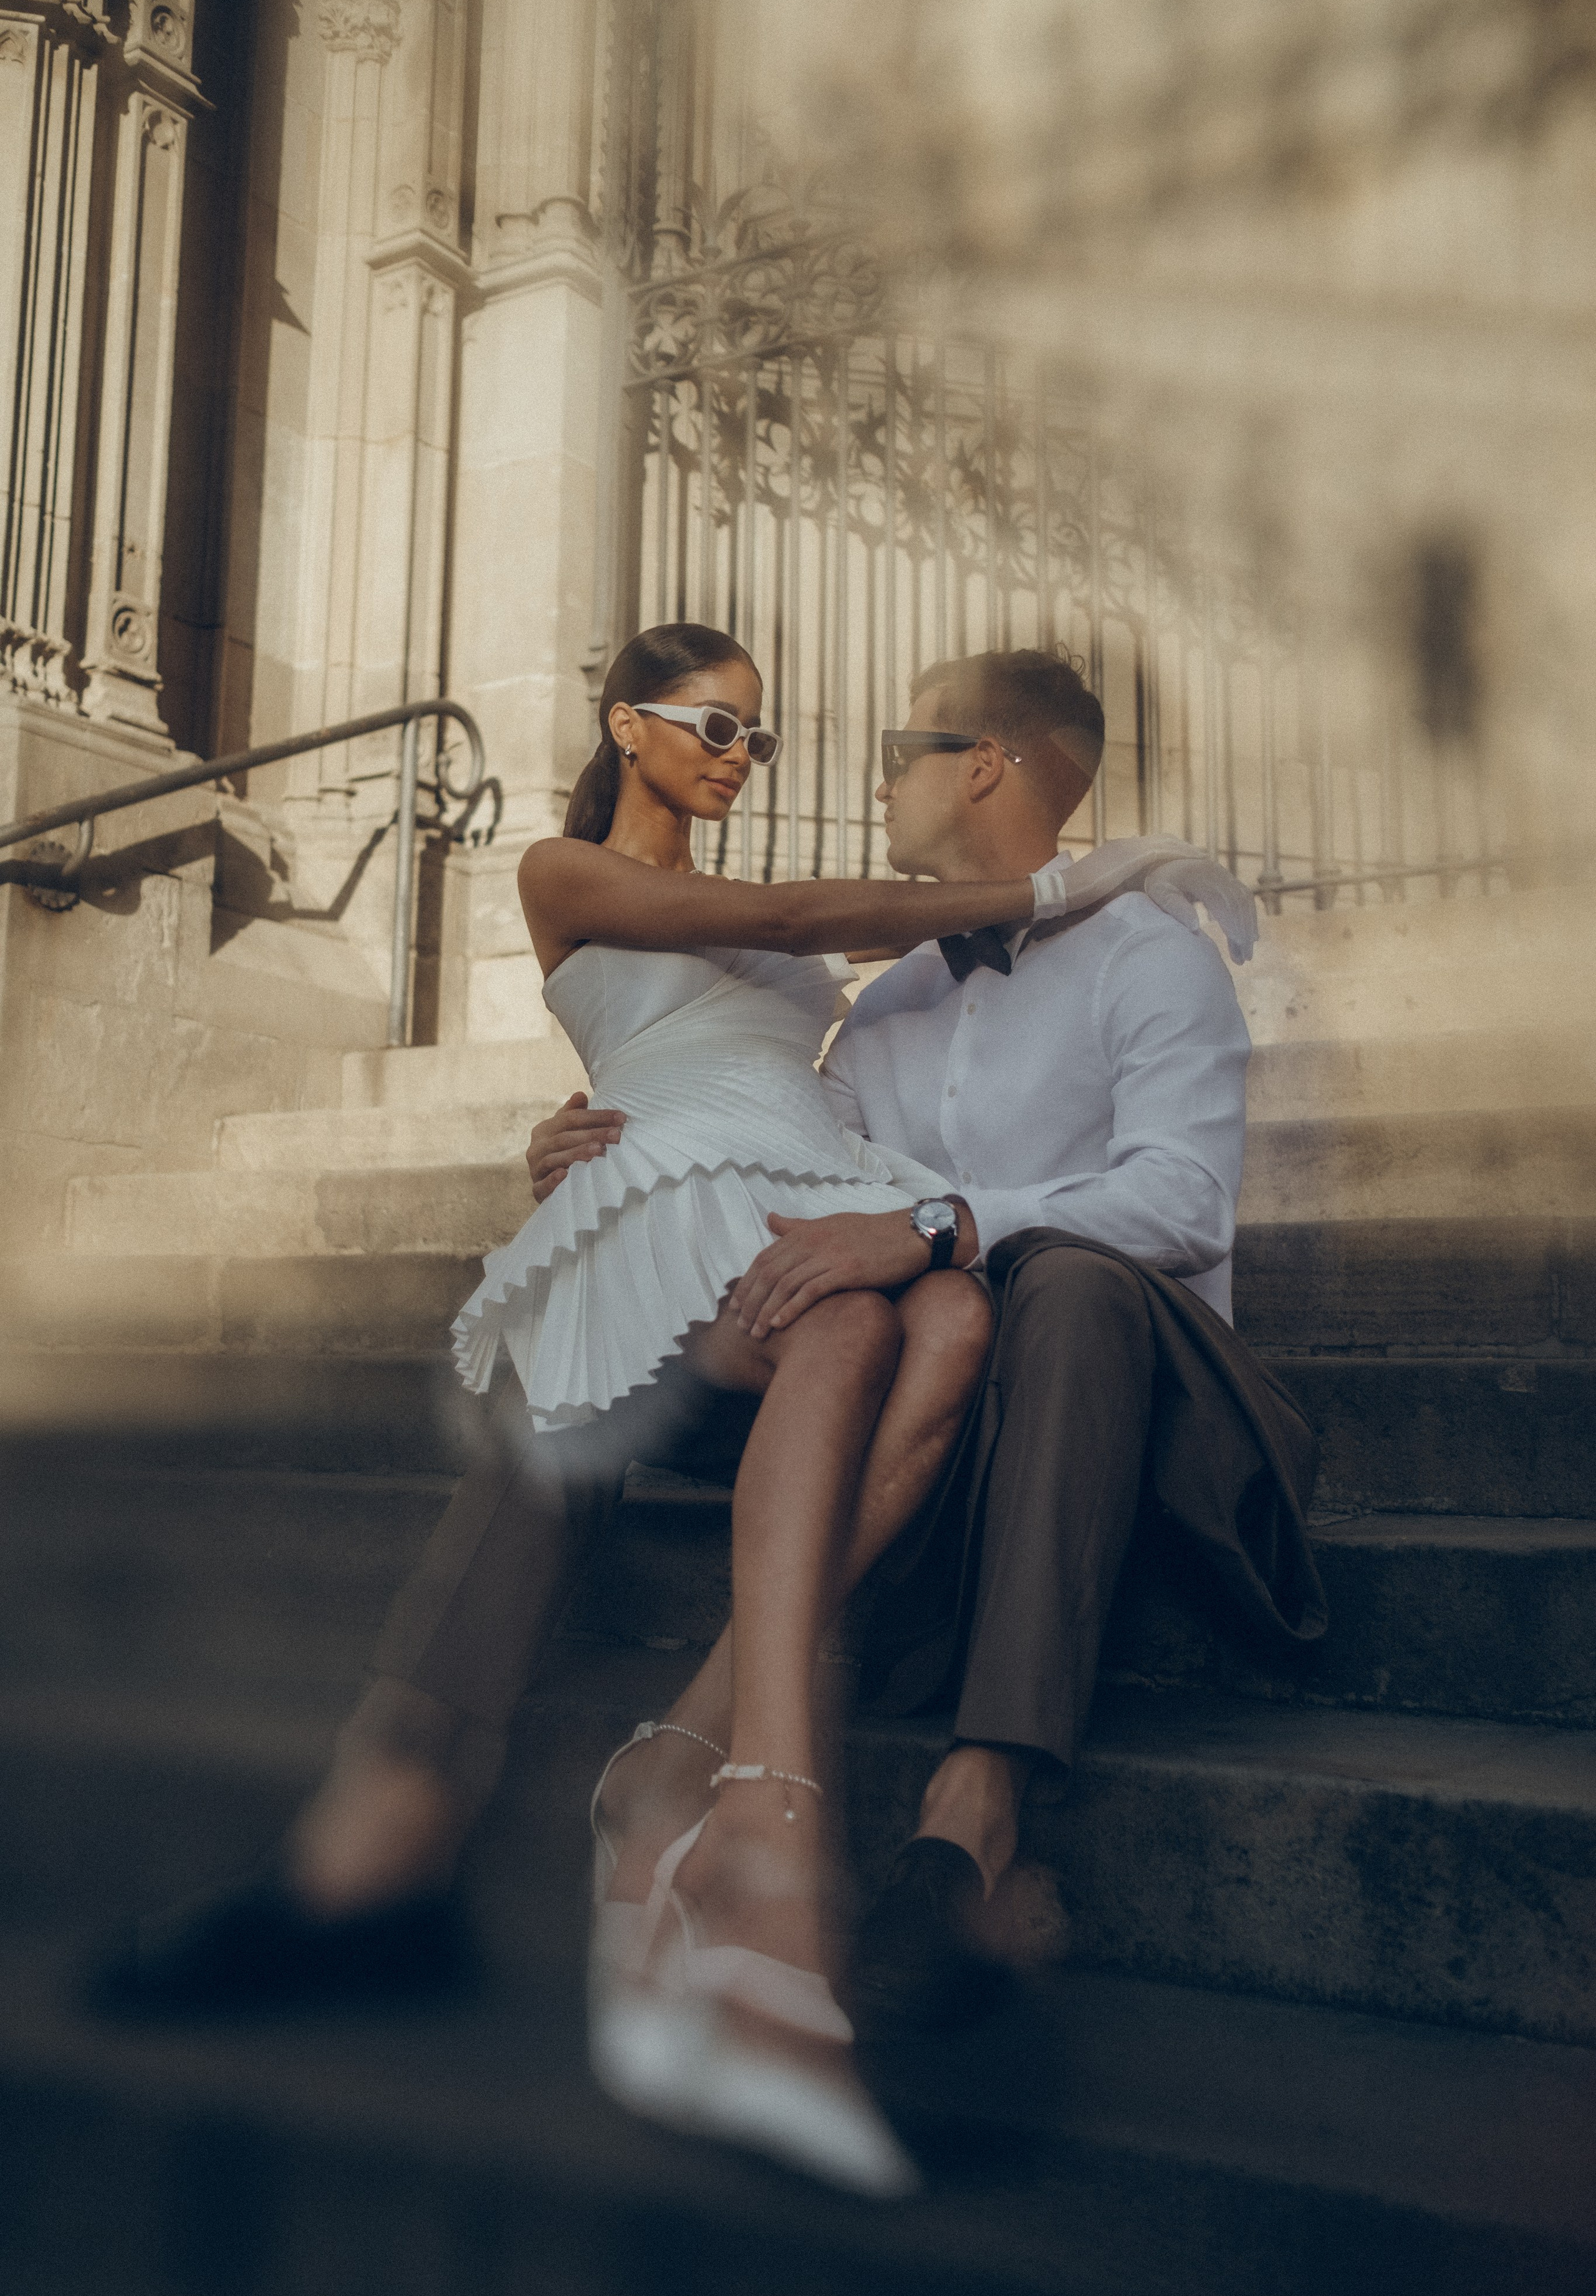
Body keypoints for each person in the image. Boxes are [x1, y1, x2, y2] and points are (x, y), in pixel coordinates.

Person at [93, 625, 1236, 2199]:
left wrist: (929, 1223)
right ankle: (445, 1816)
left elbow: (1137, 1197)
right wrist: (597, 1155)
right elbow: (779, 1053)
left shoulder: (1141, 956)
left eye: (881, 746)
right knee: (619, 1331)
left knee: (960, 1298)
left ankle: (695, 1763)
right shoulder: (854, 977)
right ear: (624, 724)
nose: (785, 764)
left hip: (1067, 1389)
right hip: (802, 1296)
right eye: (725, 728)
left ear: (984, 763)